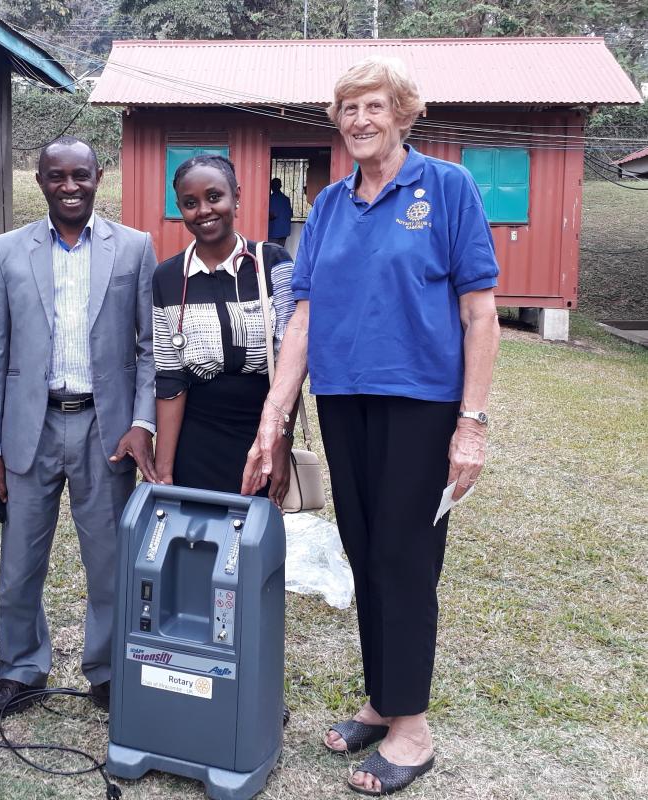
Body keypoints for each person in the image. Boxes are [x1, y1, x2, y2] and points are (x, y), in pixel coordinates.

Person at [243, 58, 501, 796]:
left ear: (403, 114)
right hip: (345, 403)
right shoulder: (327, 206)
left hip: (420, 405)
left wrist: (471, 424)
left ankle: (412, 730)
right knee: (363, 553)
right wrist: (275, 416)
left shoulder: (446, 188)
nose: (359, 120)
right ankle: (383, 701)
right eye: (348, 108)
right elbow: (304, 314)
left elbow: (480, 312)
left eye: (374, 107)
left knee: (405, 558)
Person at [0, 136, 158, 718]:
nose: (70, 186)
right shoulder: (6, 251)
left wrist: (142, 422)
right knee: (20, 561)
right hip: (31, 427)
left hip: (106, 432)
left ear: (99, 176)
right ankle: (21, 669)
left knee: (109, 560)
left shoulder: (133, 248)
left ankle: (106, 672)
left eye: (81, 175)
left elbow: (151, 349)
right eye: (57, 176)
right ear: (41, 181)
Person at [152, 155, 295, 505]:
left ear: (237, 197)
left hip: (261, 431)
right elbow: (170, 376)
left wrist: (278, 444)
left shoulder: (272, 263)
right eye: (190, 203)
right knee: (195, 545)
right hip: (196, 439)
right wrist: (165, 469)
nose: (203, 210)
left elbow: (290, 363)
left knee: (253, 548)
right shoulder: (168, 278)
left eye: (214, 197)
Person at [267, 177, 293, 247]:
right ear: (280, 186)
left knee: (272, 253)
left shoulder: (270, 199)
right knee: (280, 252)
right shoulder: (286, 199)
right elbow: (291, 214)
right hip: (284, 231)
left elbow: (273, 215)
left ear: (271, 186)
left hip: (274, 232)